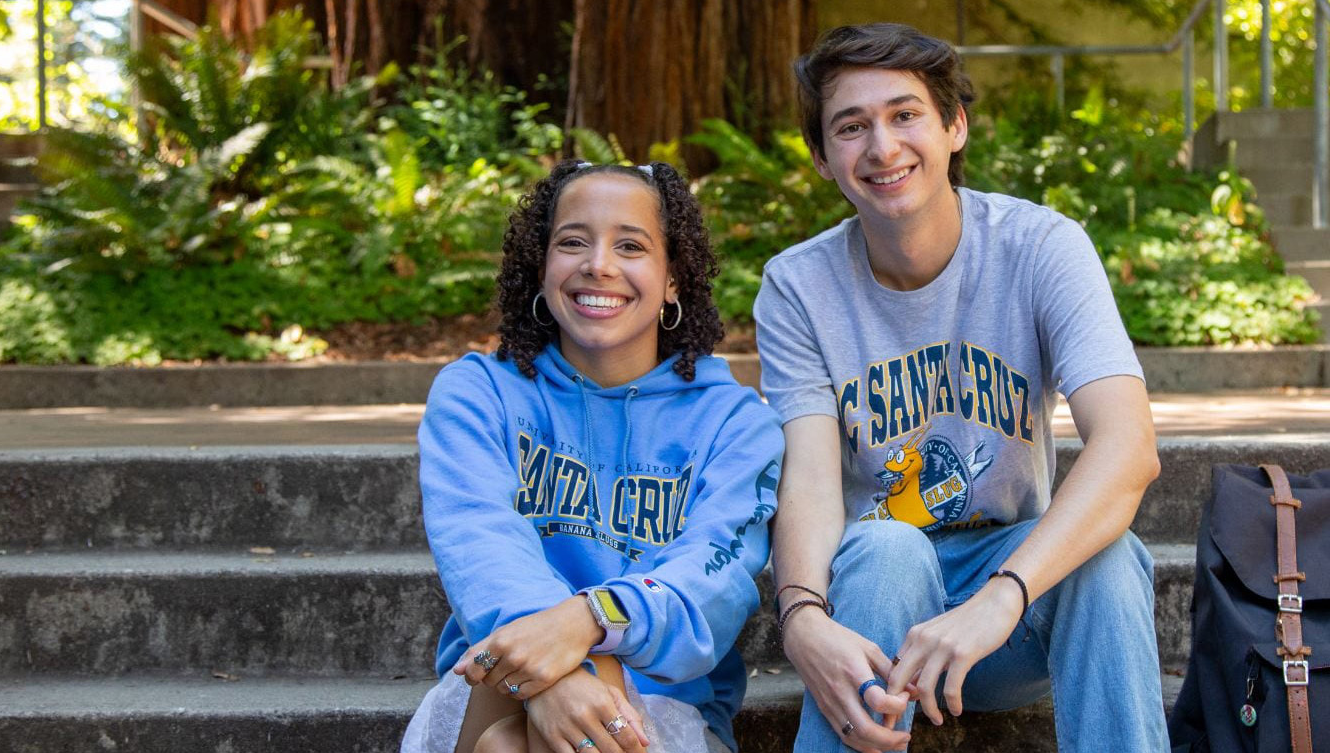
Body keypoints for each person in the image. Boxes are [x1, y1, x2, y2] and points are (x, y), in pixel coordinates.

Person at [753, 23, 1169, 753]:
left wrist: (1003, 594)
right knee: (886, 547)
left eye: (905, 114)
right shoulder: (799, 286)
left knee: (1107, 556)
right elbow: (812, 483)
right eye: (851, 127)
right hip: (873, 614)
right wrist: (803, 617)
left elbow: (1129, 446)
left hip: (1011, 617)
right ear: (822, 157)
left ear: (954, 126)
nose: (883, 148)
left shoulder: (1041, 247)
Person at [403, 160, 783, 753]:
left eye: (630, 245)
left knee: (507, 748)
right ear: (541, 266)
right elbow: (479, 540)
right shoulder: (478, 393)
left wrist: (592, 621)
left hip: (666, 705)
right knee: (518, 717)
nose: (598, 264)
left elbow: (717, 579)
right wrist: (557, 670)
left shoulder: (735, 423)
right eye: (572, 242)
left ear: (673, 278)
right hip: (498, 679)